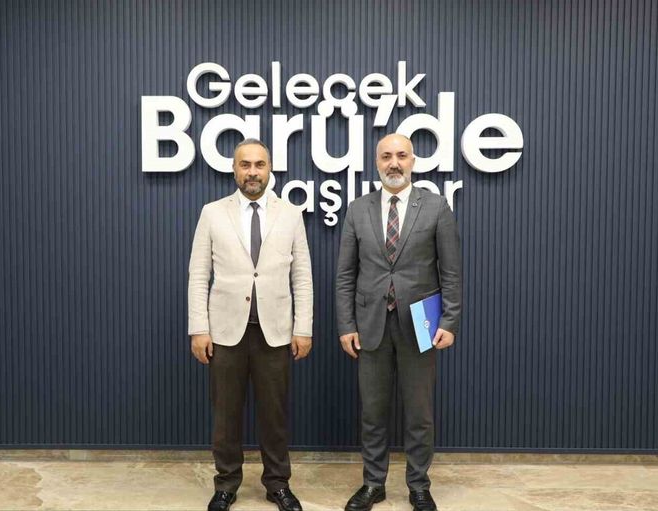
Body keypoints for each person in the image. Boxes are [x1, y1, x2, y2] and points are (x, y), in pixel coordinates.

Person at [336, 134, 463, 511]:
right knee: (373, 413)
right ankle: (373, 484)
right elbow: (345, 274)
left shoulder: (436, 207)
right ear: (376, 162)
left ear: (413, 161)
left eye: (401, 156)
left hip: (421, 325)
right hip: (370, 325)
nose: (394, 163)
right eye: (387, 156)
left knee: (419, 413)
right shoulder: (358, 209)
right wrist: (346, 325)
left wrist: (450, 320)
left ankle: (418, 485)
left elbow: (451, 272)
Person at [188, 138, 313, 511]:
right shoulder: (212, 213)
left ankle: (277, 484)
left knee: (274, 415)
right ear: (234, 170)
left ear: (269, 169)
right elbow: (199, 275)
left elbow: (302, 276)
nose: (253, 172)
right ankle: (226, 484)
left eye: (259, 164)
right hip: (225, 333)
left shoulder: (290, 214)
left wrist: (303, 328)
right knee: (226, 415)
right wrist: (199, 328)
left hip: (276, 332)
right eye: (246, 165)